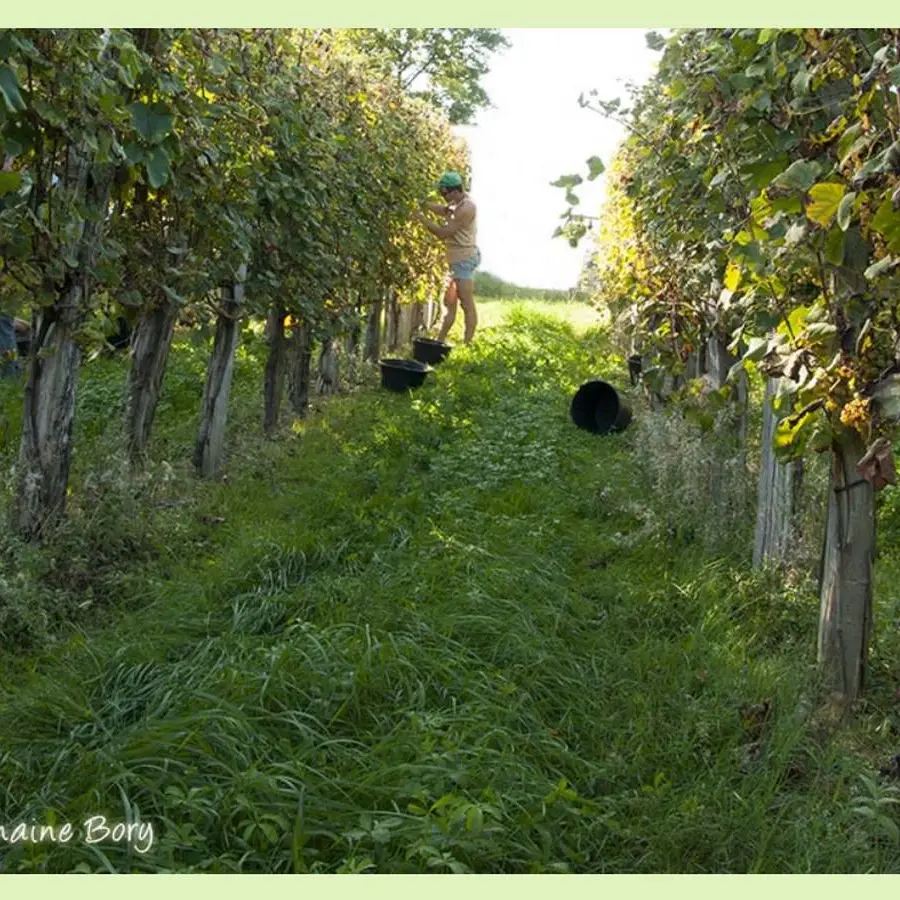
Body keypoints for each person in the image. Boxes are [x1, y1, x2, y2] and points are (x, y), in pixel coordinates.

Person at [414, 171, 481, 345]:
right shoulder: (457, 203)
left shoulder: (467, 208)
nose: (444, 198)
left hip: (464, 260)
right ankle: (440, 341)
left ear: (454, 191)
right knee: (449, 301)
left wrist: (421, 218)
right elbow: (443, 210)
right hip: (455, 261)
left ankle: (468, 344)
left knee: (466, 303)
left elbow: (442, 234)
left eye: (444, 194)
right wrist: (424, 204)